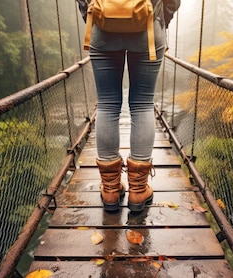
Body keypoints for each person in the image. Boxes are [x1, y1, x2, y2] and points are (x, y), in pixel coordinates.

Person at [77, 0, 181, 212]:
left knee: (107, 105)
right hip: (149, 28)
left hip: (102, 29)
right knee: (142, 104)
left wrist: (95, 17)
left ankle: (111, 190)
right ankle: (138, 190)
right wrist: (161, 19)